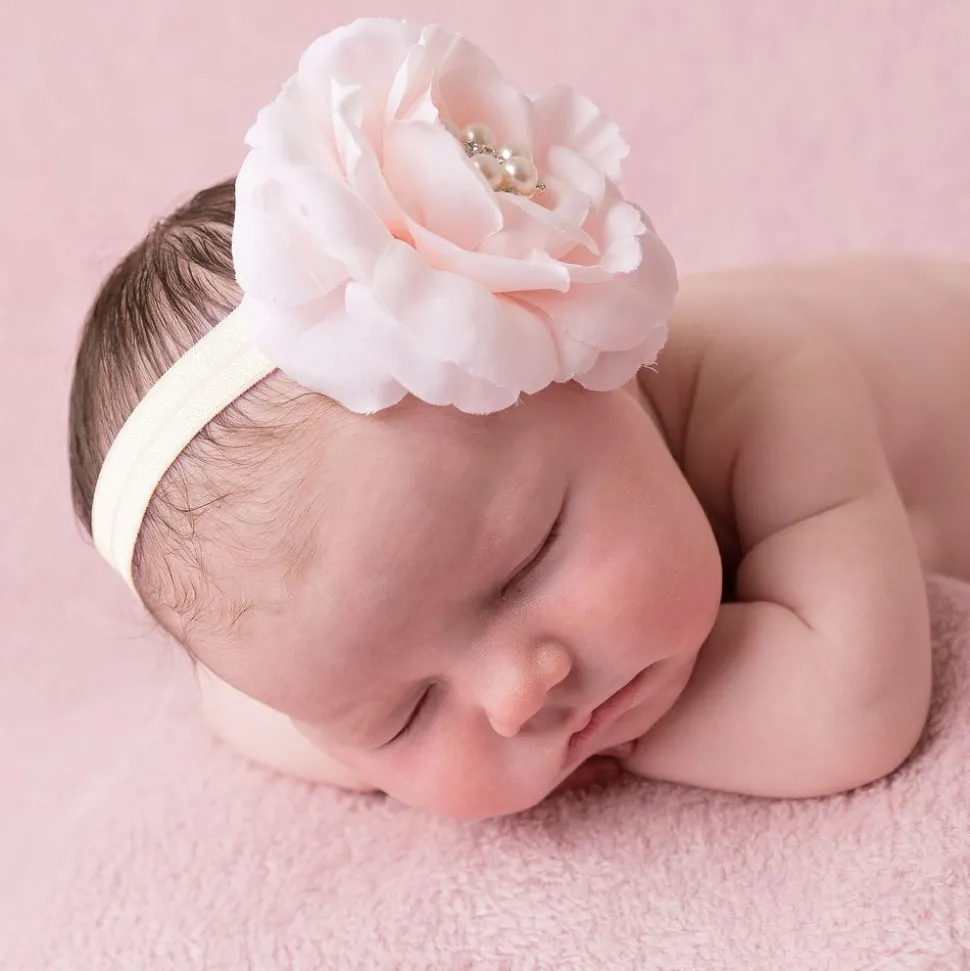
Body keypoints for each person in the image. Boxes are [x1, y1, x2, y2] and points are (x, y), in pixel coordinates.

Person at [68, 18, 968, 820]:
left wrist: (605, 748)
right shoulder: (361, 624)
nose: (516, 697)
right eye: (405, 711)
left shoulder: (773, 380)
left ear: (579, 355)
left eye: (524, 565)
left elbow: (850, 708)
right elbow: (246, 704)